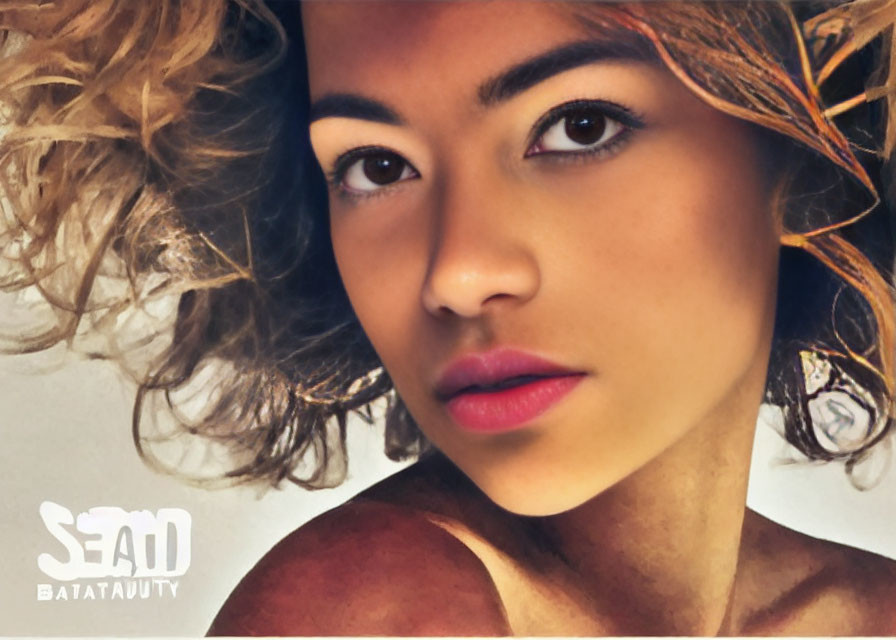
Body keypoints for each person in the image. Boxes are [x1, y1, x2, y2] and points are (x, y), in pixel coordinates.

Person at [1, 0, 895, 635]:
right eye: (376, 168)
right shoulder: (373, 615)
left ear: (811, 150)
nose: (458, 272)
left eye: (578, 126)